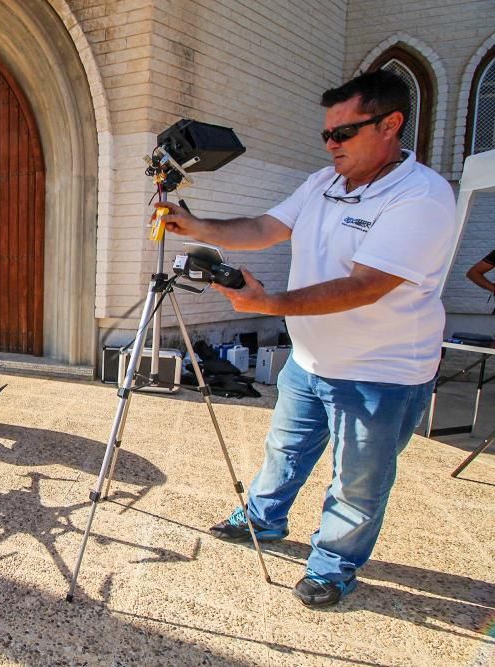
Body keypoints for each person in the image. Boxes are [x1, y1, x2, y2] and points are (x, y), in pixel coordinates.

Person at [158, 69, 456, 608]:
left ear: (391, 125)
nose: (331, 144)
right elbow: (263, 228)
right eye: (326, 134)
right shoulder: (324, 183)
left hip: (380, 373)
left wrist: (268, 304)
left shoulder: (423, 197)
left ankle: (333, 565)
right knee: (285, 450)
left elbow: (365, 287)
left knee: (357, 484)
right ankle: (263, 519)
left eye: (343, 133)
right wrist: (196, 226)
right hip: (311, 360)